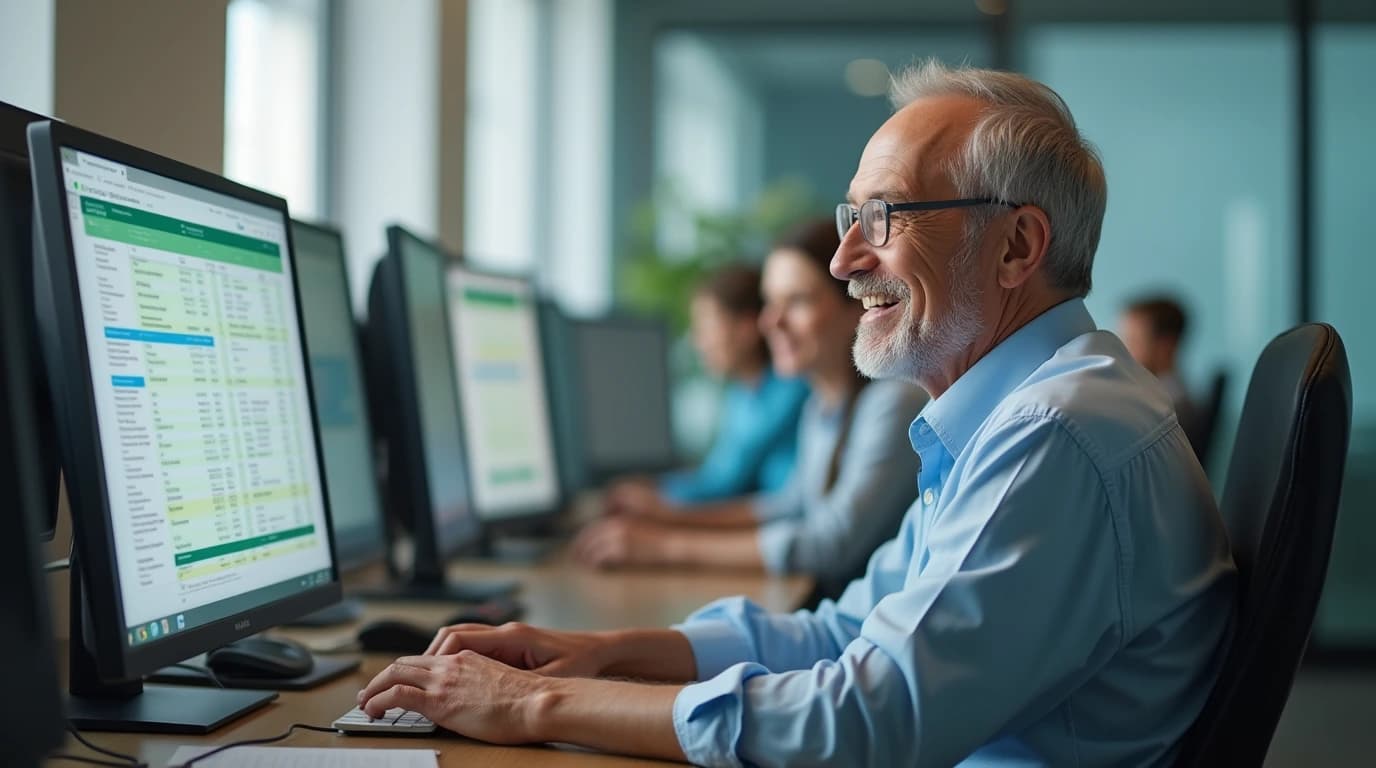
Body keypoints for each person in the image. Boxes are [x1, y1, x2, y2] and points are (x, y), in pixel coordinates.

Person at [355, 61, 1237, 766]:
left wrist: (534, 703)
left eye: (883, 215)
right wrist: (601, 650)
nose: (846, 257)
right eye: (853, 215)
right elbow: (846, 631)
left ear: (1016, 246)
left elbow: (865, 724)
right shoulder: (1009, 414)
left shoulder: (1053, 436)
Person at [576, 220, 927, 600]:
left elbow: (831, 542)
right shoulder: (821, 405)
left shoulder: (891, 404)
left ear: (852, 308)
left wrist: (662, 547)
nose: (770, 322)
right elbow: (788, 505)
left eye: (797, 301)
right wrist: (668, 518)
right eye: (769, 303)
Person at [605, 264, 809, 511]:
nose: (697, 341)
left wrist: (655, 491)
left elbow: (722, 483)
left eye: (706, 325)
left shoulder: (790, 389)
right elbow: (715, 473)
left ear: (746, 328)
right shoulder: (742, 394)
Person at [1119, 295, 1200, 440]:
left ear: (1166, 346)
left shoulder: (1168, 412)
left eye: (1134, 341)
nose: (1123, 351)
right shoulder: (1174, 400)